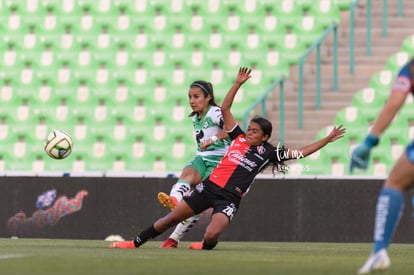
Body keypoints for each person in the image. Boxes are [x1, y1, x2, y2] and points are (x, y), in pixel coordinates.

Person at [109, 67, 345, 250]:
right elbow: (225, 109)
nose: (249, 131)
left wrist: (326, 139)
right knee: (168, 219)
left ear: (265, 136)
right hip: (209, 189)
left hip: (229, 199)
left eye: (254, 131)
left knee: (212, 233)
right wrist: (237, 84)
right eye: (249, 128)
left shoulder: (269, 154)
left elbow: (300, 152)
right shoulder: (238, 137)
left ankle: (205, 246)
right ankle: (135, 242)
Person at [156, 75, 236, 248]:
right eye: (190, 97)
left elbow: (233, 130)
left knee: (196, 203)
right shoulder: (195, 116)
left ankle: (174, 238)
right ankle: (175, 200)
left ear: (208, 97)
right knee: (187, 174)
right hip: (202, 158)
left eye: (196, 96)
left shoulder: (215, 113)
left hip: (219, 164)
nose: (192, 101)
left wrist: (214, 138)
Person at [350, 58, 414, 274]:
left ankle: (379, 252)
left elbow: (395, 102)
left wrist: (370, 141)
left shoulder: (411, 68)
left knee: (394, 184)